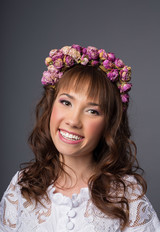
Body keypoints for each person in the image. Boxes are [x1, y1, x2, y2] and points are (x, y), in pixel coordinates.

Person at [0, 44, 160, 232]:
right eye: (66, 102)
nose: (74, 121)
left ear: (108, 124)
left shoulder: (127, 195)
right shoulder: (21, 186)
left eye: (92, 111)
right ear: (51, 106)